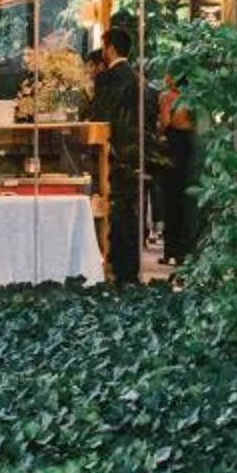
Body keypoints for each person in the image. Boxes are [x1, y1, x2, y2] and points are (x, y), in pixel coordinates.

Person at [91, 24, 143, 283]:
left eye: (103, 48)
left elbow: (99, 117)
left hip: (112, 153)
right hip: (135, 154)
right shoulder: (136, 77)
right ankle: (129, 269)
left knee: (115, 211)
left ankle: (113, 263)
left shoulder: (107, 79)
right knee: (130, 212)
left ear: (110, 49)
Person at [155, 77, 201, 264]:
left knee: (170, 199)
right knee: (186, 199)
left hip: (173, 146)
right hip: (190, 145)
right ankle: (185, 251)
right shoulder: (193, 98)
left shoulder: (167, 97)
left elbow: (166, 122)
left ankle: (170, 250)